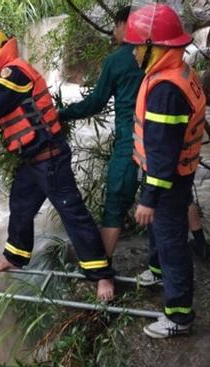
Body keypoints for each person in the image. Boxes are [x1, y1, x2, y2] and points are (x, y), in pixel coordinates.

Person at [0, 28, 115, 301]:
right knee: (20, 205)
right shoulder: (10, 74)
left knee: (73, 214)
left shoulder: (13, 74)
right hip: (34, 161)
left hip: (50, 158)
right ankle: (16, 257)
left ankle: (102, 275)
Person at [125, 3, 206, 338]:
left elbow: (163, 155)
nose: (132, 54)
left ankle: (179, 316)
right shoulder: (179, 71)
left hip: (168, 180)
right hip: (177, 176)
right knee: (162, 231)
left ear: (154, 47)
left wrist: (148, 197)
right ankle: (157, 271)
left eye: (136, 47)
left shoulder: (165, 91)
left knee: (173, 243)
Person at [59, 6, 144, 262]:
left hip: (130, 143)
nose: (113, 32)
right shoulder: (160, 56)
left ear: (124, 24)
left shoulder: (117, 61)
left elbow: (94, 104)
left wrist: (61, 113)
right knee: (172, 194)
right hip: (161, 140)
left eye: (115, 25)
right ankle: (198, 244)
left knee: (115, 202)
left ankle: (101, 267)